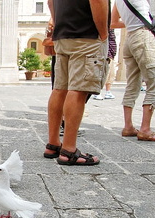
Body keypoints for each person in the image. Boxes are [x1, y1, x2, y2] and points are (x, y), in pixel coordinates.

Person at [43, 0, 109, 165]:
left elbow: (50, 2)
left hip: (62, 34)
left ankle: (53, 144)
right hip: (86, 33)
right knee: (78, 89)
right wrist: (103, 33)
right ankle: (69, 150)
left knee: (60, 89)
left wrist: (58, 24)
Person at [112, 1, 155, 140]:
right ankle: (145, 129)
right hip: (143, 36)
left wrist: (131, 22)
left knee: (132, 83)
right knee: (153, 82)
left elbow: (113, 23)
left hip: (130, 38)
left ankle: (128, 126)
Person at [93, 28, 117, 100]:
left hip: (111, 52)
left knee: (110, 74)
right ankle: (97, 92)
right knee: (102, 73)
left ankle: (107, 91)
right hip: (106, 52)